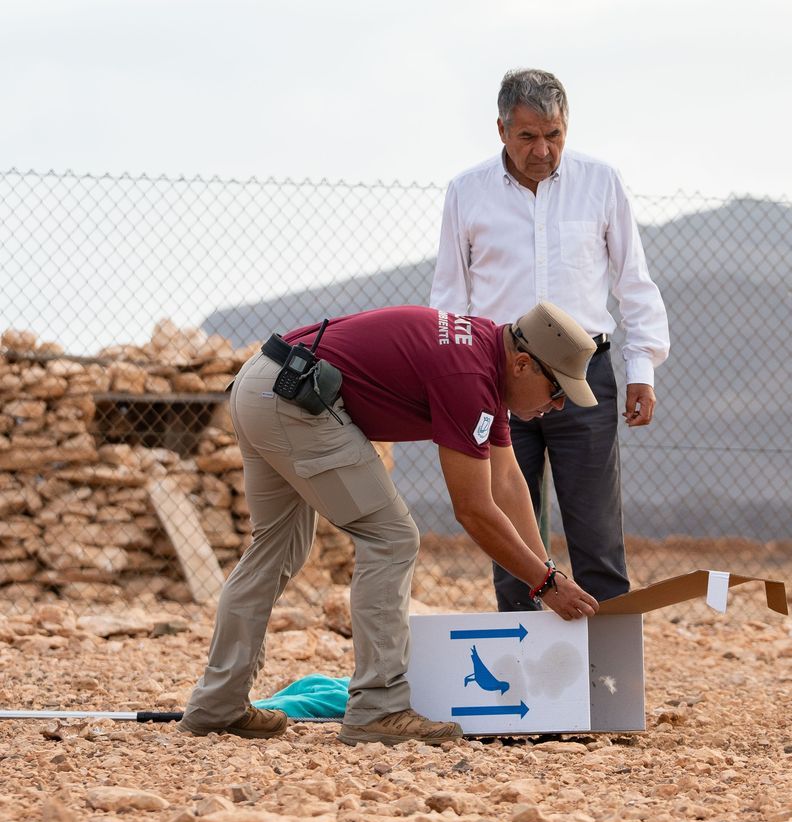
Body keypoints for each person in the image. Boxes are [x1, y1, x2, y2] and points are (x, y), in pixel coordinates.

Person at [179, 301, 601, 746]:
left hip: (262, 384)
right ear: (522, 363)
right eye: (557, 391)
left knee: (275, 548)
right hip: (295, 396)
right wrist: (546, 583)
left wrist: (548, 573)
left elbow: (509, 483)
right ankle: (378, 708)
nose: (557, 407)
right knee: (392, 536)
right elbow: (474, 509)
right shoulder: (469, 378)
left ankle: (217, 705)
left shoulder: (481, 355)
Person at [430, 67, 670, 612]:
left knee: (598, 539)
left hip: (585, 378)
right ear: (501, 131)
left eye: (554, 135)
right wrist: (452, 388)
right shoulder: (465, 193)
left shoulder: (602, 183)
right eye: (527, 137)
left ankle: (605, 686)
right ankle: (525, 682)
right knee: (512, 538)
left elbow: (633, 281)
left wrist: (642, 370)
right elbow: (449, 299)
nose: (542, 150)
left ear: (567, 128)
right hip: (497, 381)